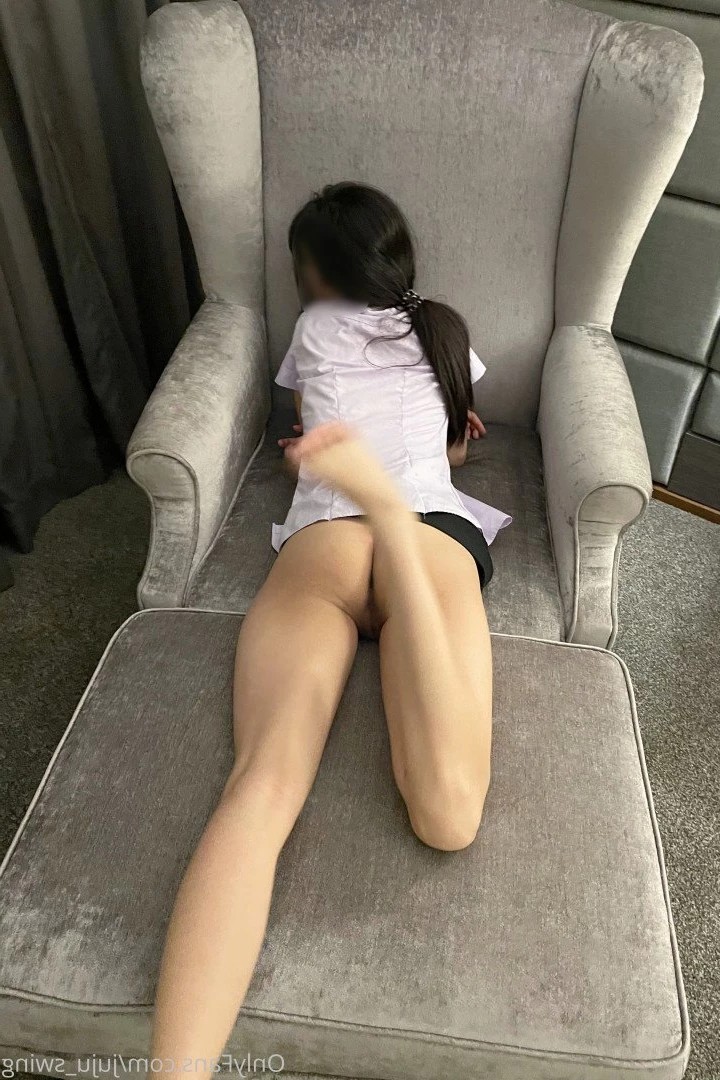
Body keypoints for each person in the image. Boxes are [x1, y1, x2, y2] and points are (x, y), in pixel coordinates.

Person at [148, 182, 512, 1073]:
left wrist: (321, 457)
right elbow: (453, 445)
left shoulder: (311, 330)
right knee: (448, 816)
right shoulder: (447, 331)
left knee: (261, 788)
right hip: (432, 532)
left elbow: (311, 434)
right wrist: (444, 455)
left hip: (327, 534)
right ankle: (392, 514)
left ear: (312, 274)